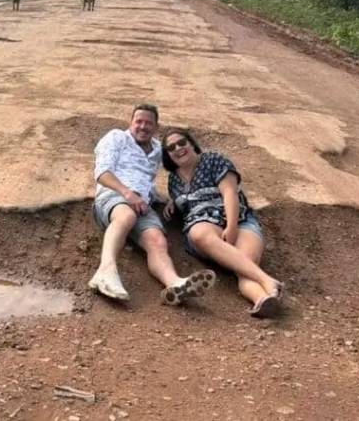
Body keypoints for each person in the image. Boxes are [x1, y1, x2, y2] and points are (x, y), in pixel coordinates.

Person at [88, 104, 216, 305]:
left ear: (156, 127)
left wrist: (170, 199)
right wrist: (128, 194)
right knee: (126, 216)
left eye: (148, 123)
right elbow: (102, 173)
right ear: (131, 122)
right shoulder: (116, 138)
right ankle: (105, 271)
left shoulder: (157, 149)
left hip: (142, 203)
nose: (143, 126)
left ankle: (174, 284)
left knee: (157, 239)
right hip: (113, 197)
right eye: (138, 121)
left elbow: (149, 179)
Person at [161, 128, 284, 317]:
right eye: (171, 147)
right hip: (203, 225)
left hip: (240, 221)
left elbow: (229, 193)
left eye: (181, 142)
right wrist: (173, 202)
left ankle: (263, 299)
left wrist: (232, 226)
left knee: (245, 265)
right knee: (200, 235)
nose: (178, 148)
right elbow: (185, 204)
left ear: (191, 143)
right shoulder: (173, 180)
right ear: (168, 155)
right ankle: (268, 281)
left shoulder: (214, 159)